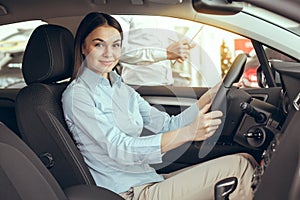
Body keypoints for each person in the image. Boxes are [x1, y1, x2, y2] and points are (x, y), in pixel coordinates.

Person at [62, 12, 256, 200]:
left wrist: (212, 94)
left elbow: (166, 125)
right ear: (83, 48)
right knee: (239, 169)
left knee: (246, 158)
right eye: (99, 45)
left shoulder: (121, 88)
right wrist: (189, 133)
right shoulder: (77, 95)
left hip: (148, 179)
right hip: (127, 192)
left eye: (116, 45)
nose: (109, 54)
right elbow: (119, 148)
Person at [116, 15, 194, 86]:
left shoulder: (166, 16)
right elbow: (120, 52)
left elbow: (169, 50)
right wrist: (166, 54)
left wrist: (180, 51)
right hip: (138, 86)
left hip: (167, 84)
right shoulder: (125, 13)